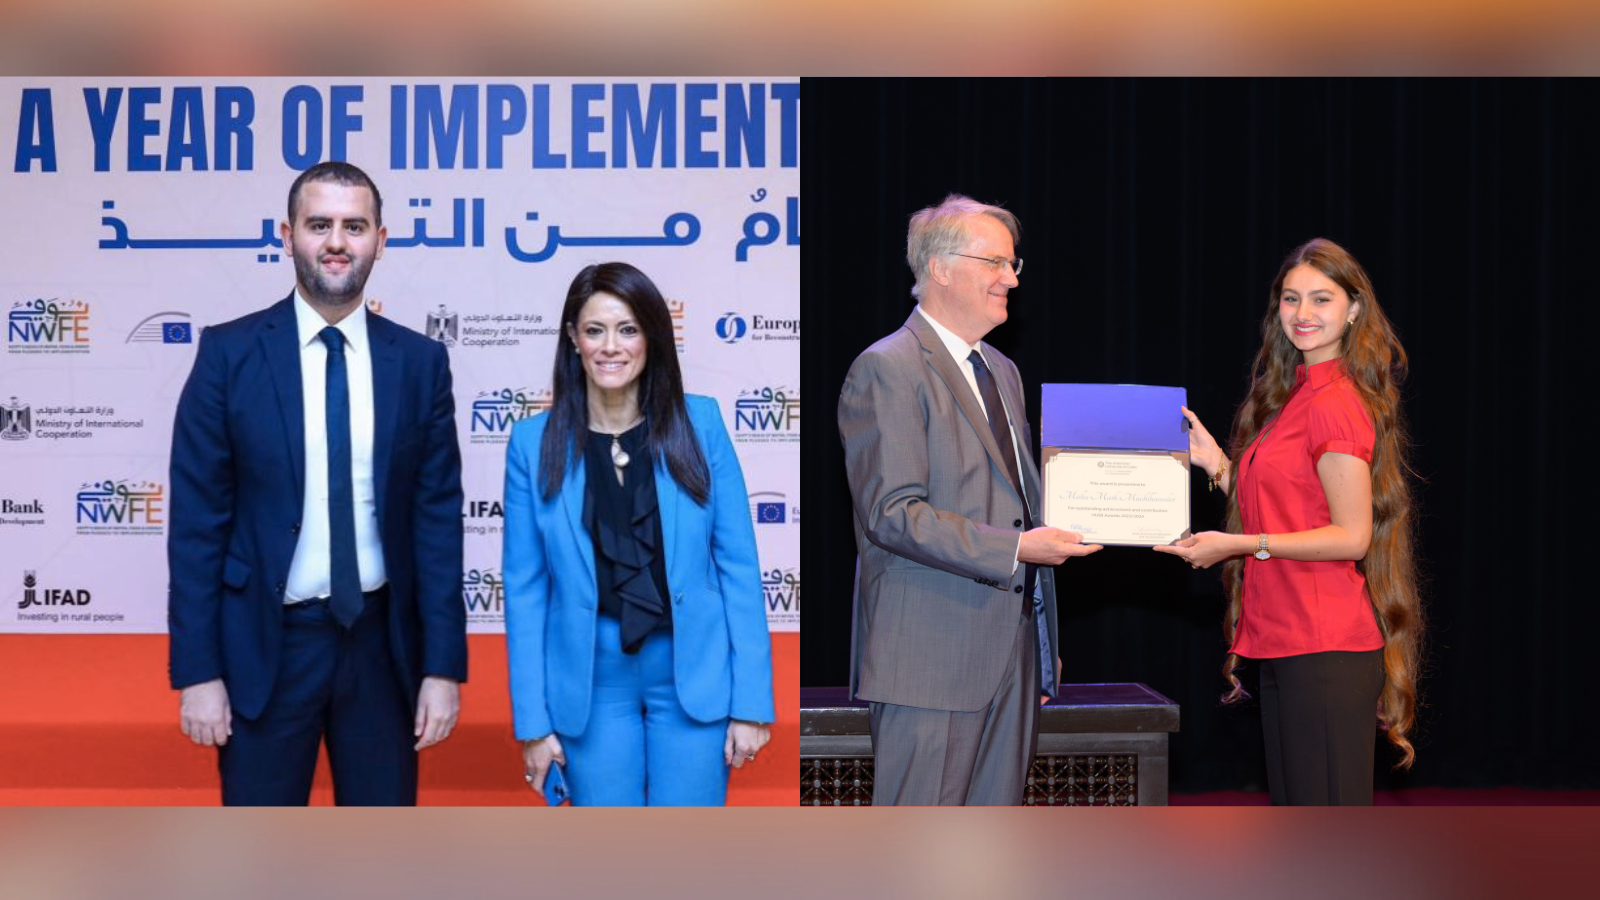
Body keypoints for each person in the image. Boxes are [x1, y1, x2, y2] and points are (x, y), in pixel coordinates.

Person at [167, 161, 467, 805]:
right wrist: (198, 672)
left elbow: (436, 525)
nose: (337, 242)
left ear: (380, 240)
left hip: (383, 654)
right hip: (265, 652)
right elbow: (196, 527)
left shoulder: (420, 364)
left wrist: (442, 667)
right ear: (288, 234)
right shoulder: (228, 354)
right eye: (320, 225)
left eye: (354, 226)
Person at [838, 194, 1101, 806]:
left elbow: (1016, 504)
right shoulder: (887, 367)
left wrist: (1042, 641)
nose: (1011, 278)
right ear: (940, 268)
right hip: (929, 657)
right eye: (996, 263)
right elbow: (891, 514)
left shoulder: (1002, 370)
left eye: (1014, 265)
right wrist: (1018, 548)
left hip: (1012, 655)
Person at [1154, 237, 1422, 805]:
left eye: (1321, 299)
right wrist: (1219, 466)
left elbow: (1350, 538)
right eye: (1291, 298)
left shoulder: (1335, 401)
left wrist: (1239, 545)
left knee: (1324, 841)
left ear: (1353, 310)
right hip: (1285, 642)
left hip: (1323, 647)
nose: (1303, 315)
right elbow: (1286, 504)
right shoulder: (1297, 395)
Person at [503, 262, 774, 806]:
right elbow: (525, 590)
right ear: (573, 339)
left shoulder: (702, 425)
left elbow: (739, 567)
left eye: (628, 329)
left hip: (692, 674)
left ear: (652, 337)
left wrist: (752, 703)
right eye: (595, 330)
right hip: (592, 682)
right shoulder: (533, 443)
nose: (611, 346)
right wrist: (532, 725)